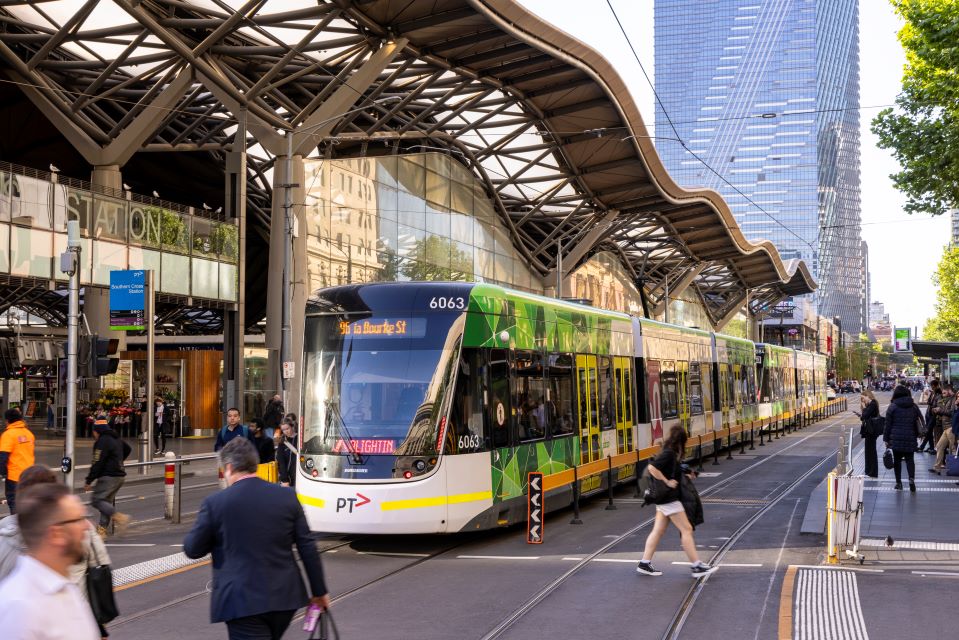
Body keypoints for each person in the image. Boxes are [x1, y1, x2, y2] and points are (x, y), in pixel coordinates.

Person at [183, 438, 329, 640]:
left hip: (242, 601)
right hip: (284, 598)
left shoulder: (215, 503)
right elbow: (308, 547)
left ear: (229, 467)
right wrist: (319, 592)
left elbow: (193, 549)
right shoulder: (287, 496)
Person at [0, 465, 113, 639]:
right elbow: (101, 565)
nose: (87, 526)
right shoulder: (20, 607)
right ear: (56, 534)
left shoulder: (65, 590)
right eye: (78, 519)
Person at [636, 425, 718, 578]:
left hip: (664, 500)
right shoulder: (668, 453)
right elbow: (652, 468)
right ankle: (696, 566)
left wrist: (688, 474)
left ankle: (644, 563)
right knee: (686, 529)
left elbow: (671, 470)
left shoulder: (669, 452)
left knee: (658, 531)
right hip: (669, 499)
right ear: (681, 441)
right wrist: (667, 481)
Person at [84, 420, 131, 538]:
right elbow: (128, 448)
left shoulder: (102, 441)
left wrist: (89, 480)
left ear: (97, 431)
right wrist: (118, 460)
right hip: (119, 476)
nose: (93, 434)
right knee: (106, 503)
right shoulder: (116, 438)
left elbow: (97, 462)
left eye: (94, 432)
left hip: (108, 476)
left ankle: (120, 517)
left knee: (97, 500)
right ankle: (101, 531)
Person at [883, 385, 923, 492]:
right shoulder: (913, 406)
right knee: (910, 460)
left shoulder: (892, 406)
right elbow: (918, 421)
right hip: (910, 437)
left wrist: (886, 439)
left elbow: (887, 425)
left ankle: (898, 483)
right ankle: (911, 479)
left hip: (896, 438)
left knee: (897, 461)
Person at [0, 408, 36, 514]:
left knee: (14, 503)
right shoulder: (29, 434)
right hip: (30, 476)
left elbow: (3, 457)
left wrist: (3, 473)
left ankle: (18, 523)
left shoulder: (8, 435)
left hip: (14, 477)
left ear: (8, 420)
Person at [858, 389, 881, 478]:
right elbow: (863, 417)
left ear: (868, 396)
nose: (862, 401)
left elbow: (865, 415)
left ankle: (872, 472)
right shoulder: (870, 405)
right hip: (869, 430)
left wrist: (864, 408)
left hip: (872, 431)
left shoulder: (873, 404)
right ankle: (868, 471)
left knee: (871, 451)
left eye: (863, 398)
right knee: (868, 451)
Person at [919, 379, 941, 454]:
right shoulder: (932, 393)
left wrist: (931, 404)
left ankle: (922, 446)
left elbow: (936, 404)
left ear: (936, 386)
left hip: (933, 415)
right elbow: (929, 402)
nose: (932, 387)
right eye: (931, 386)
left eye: (933, 386)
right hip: (928, 414)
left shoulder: (939, 394)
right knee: (929, 432)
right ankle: (931, 447)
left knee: (928, 430)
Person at [277, 419, 298, 488]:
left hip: (300, 474)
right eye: (283, 430)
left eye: (287, 428)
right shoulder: (282, 442)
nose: (286, 431)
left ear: (292, 426)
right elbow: (281, 462)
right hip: (288, 477)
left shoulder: (300, 439)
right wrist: (284, 479)